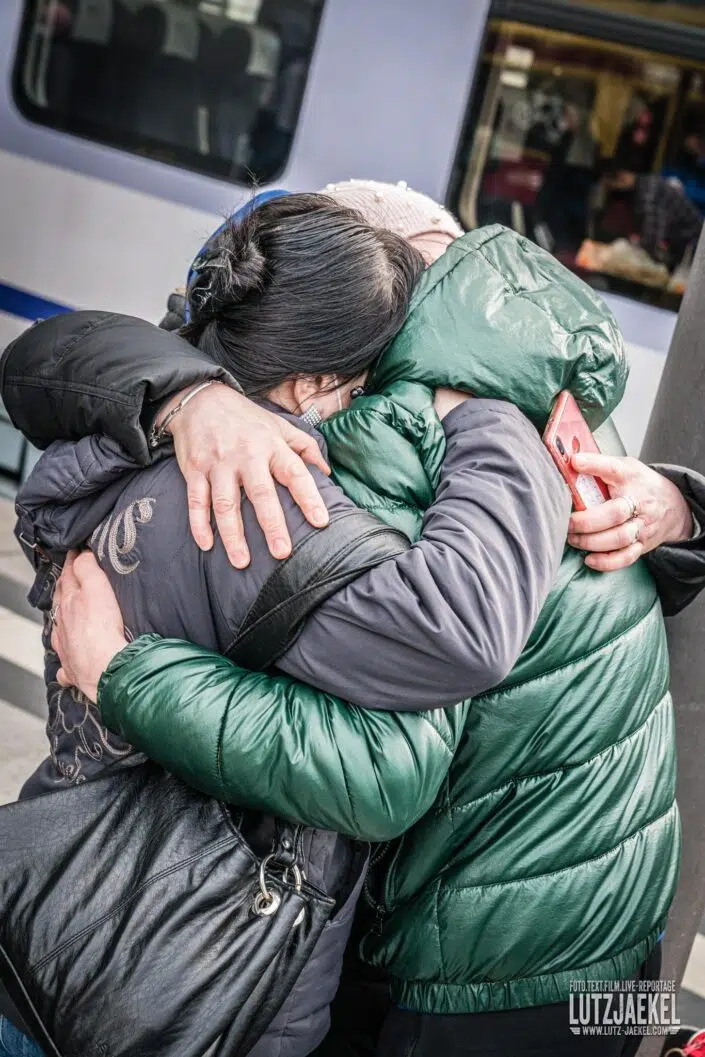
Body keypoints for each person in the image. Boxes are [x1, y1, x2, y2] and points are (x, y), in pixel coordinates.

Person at [4, 183, 705, 1057]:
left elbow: (403, 742)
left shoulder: (426, 438)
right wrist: (684, 508)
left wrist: (121, 670)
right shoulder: (546, 405)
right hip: (618, 961)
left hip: (477, 973)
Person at [600, 163, 703, 271]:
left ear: (622, 177)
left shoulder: (649, 191)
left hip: (692, 242)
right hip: (682, 239)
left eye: (613, 187)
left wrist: (640, 255)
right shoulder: (645, 185)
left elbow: (653, 235)